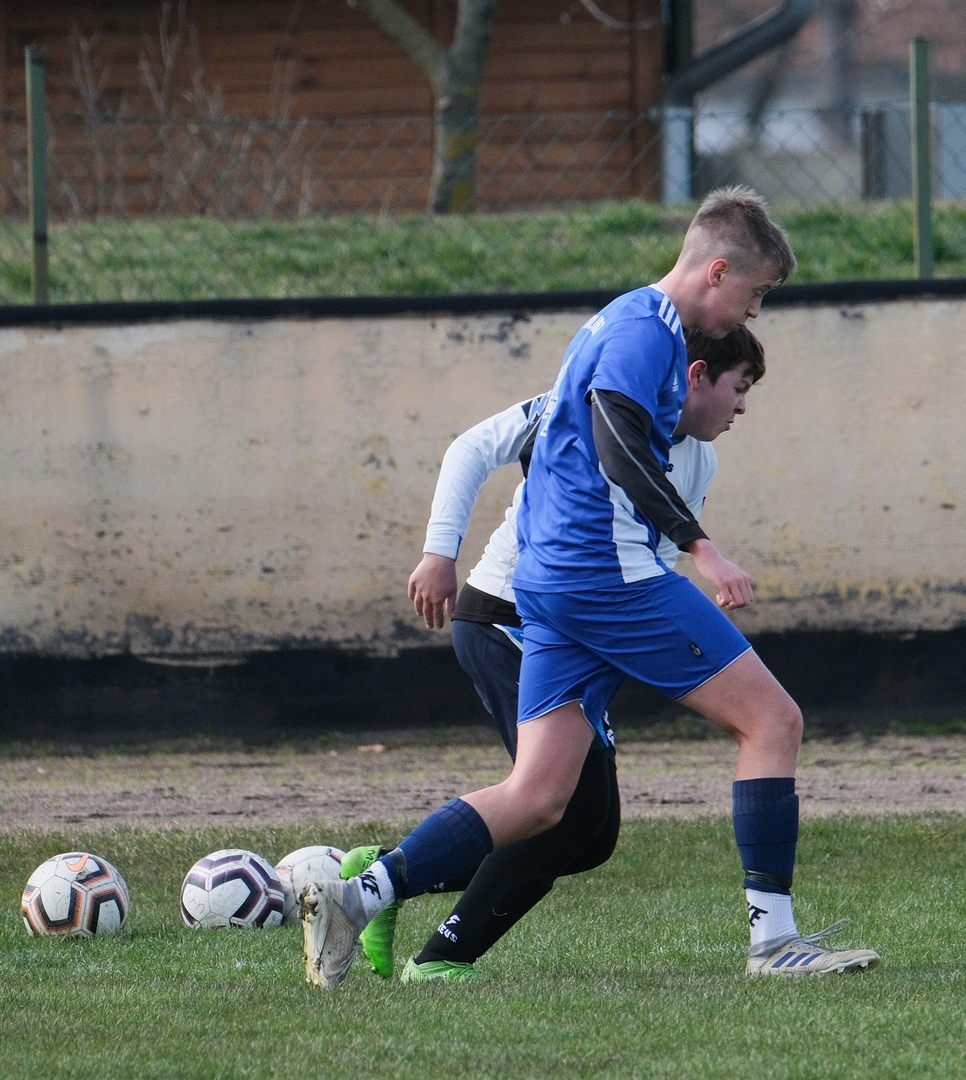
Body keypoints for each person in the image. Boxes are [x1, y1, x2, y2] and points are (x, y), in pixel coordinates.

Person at [302, 185, 879, 987]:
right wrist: (701, 548)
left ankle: (357, 896)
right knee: (772, 721)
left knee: (540, 797)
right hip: (606, 575)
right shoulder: (647, 333)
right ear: (718, 272)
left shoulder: (620, 323)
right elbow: (615, 439)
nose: (755, 310)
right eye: (756, 293)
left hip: (549, 584)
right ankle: (775, 943)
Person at [337, 326, 766, 984]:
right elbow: (470, 447)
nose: (743, 407)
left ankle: (389, 872)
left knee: (592, 837)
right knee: (558, 813)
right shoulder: (583, 404)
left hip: (583, 636)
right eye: (740, 387)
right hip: (508, 616)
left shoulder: (699, 461)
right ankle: (439, 957)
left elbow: (642, 568)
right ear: (695, 373)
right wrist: (439, 551)